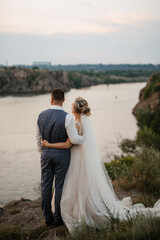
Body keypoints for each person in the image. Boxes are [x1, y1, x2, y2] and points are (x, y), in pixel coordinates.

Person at [41, 97, 160, 232]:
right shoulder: (82, 122)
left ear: (74, 109)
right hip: (81, 155)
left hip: (76, 156)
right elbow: (80, 140)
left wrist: (48, 144)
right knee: (83, 181)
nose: (71, 108)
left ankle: (76, 208)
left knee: (75, 181)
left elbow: (69, 143)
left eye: (72, 106)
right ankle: (84, 204)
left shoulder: (76, 123)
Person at [36, 89, 84, 227]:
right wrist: (85, 138)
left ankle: (47, 218)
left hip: (45, 155)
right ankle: (58, 217)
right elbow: (74, 139)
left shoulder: (41, 115)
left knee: (45, 185)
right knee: (59, 186)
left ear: (51, 99)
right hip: (62, 156)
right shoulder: (68, 118)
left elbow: (38, 138)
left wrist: (44, 151)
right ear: (63, 100)